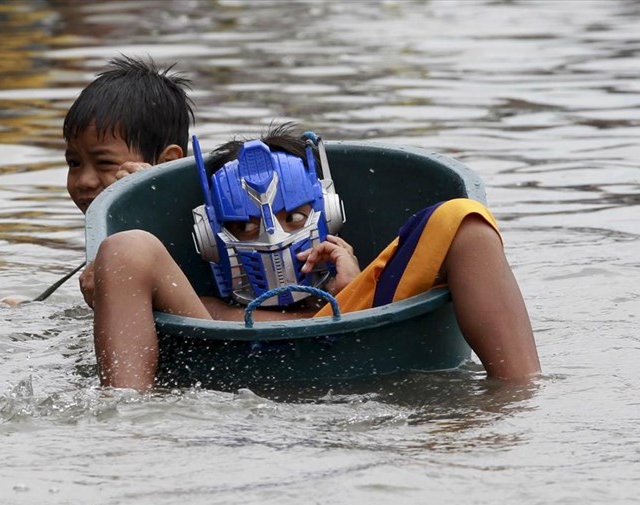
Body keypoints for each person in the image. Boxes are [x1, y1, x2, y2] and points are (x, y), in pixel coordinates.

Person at [91, 125, 540, 390]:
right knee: (124, 247)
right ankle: (128, 433)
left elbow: (457, 237)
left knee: (463, 220)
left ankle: (521, 398)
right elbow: (126, 260)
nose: (271, 238)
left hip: (371, 356)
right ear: (209, 238)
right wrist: (106, 277)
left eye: (295, 218)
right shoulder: (202, 308)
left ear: (329, 216)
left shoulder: (363, 287)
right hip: (231, 389)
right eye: (243, 226)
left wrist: (350, 291)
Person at [63, 55, 195, 306]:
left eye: (104, 163)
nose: (84, 181)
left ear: (166, 163)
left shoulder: (198, 226)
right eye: (74, 163)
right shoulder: (109, 231)